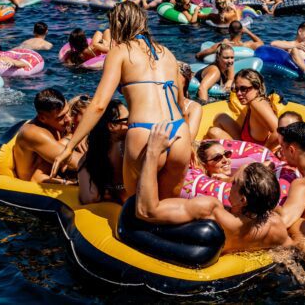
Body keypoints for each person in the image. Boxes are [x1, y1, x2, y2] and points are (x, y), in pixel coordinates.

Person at [51, 2, 191, 199]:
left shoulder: (120, 52)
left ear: (118, 24)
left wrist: (70, 146)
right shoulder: (166, 53)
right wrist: (190, 145)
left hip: (146, 131)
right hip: (179, 133)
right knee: (168, 206)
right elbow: (182, 106)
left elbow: (99, 104)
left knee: (136, 205)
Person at [135, 121, 292, 253]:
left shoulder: (210, 209)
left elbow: (146, 212)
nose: (229, 185)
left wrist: (152, 153)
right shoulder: (274, 226)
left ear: (243, 199)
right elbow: (293, 249)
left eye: (234, 182)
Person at [13, 88, 81, 184]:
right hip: (32, 190)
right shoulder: (34, 133)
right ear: (42, 118)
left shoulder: (55, 124)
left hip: (49, 175)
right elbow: (77, 162)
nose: (68, 119)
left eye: (68, 112)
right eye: (61, 117)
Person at [207, 69, 279, 148]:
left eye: (243, 89)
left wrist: (264, 152)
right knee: (221, 117)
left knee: (214, 132)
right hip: (249, 144)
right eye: (236, 89)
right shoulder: (255, 102)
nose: (238, 93)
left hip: (253, 153)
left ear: (257, 87)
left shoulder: (257, 103)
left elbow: (280, 131)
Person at [78, 100, 129, 204]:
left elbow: (89, 198)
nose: (133, 121)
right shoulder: (126, 147)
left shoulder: (88, 158)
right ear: (111, 126)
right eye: (127, 119)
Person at [196, 21, 263, 60]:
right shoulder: (249, 45)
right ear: (242, 32)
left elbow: (198, 55)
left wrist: (222, 43)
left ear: (229, 31)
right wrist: (248, 32)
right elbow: (261, 43)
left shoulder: (223, 45)